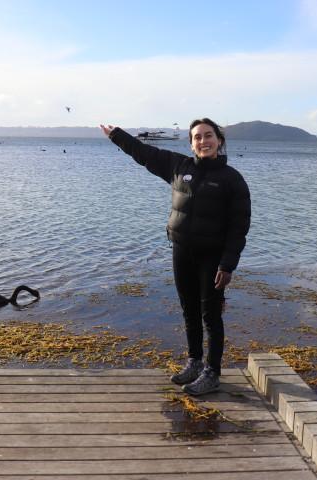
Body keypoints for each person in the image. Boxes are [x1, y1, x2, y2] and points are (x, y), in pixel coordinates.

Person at [100, 119, 251, 395]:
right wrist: (117, 136)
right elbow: (146, 154)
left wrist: (228, 264)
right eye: (197, 137)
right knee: (188, 310)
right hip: (182, 251)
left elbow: (239, 227)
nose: (203, 141)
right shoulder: (180, 167)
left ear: (219, 140)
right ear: (191, 143)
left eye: (208, 136)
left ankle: (212, 372)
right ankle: (194, 362)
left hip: (213, 257)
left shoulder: (232, 180)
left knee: (211, 316)